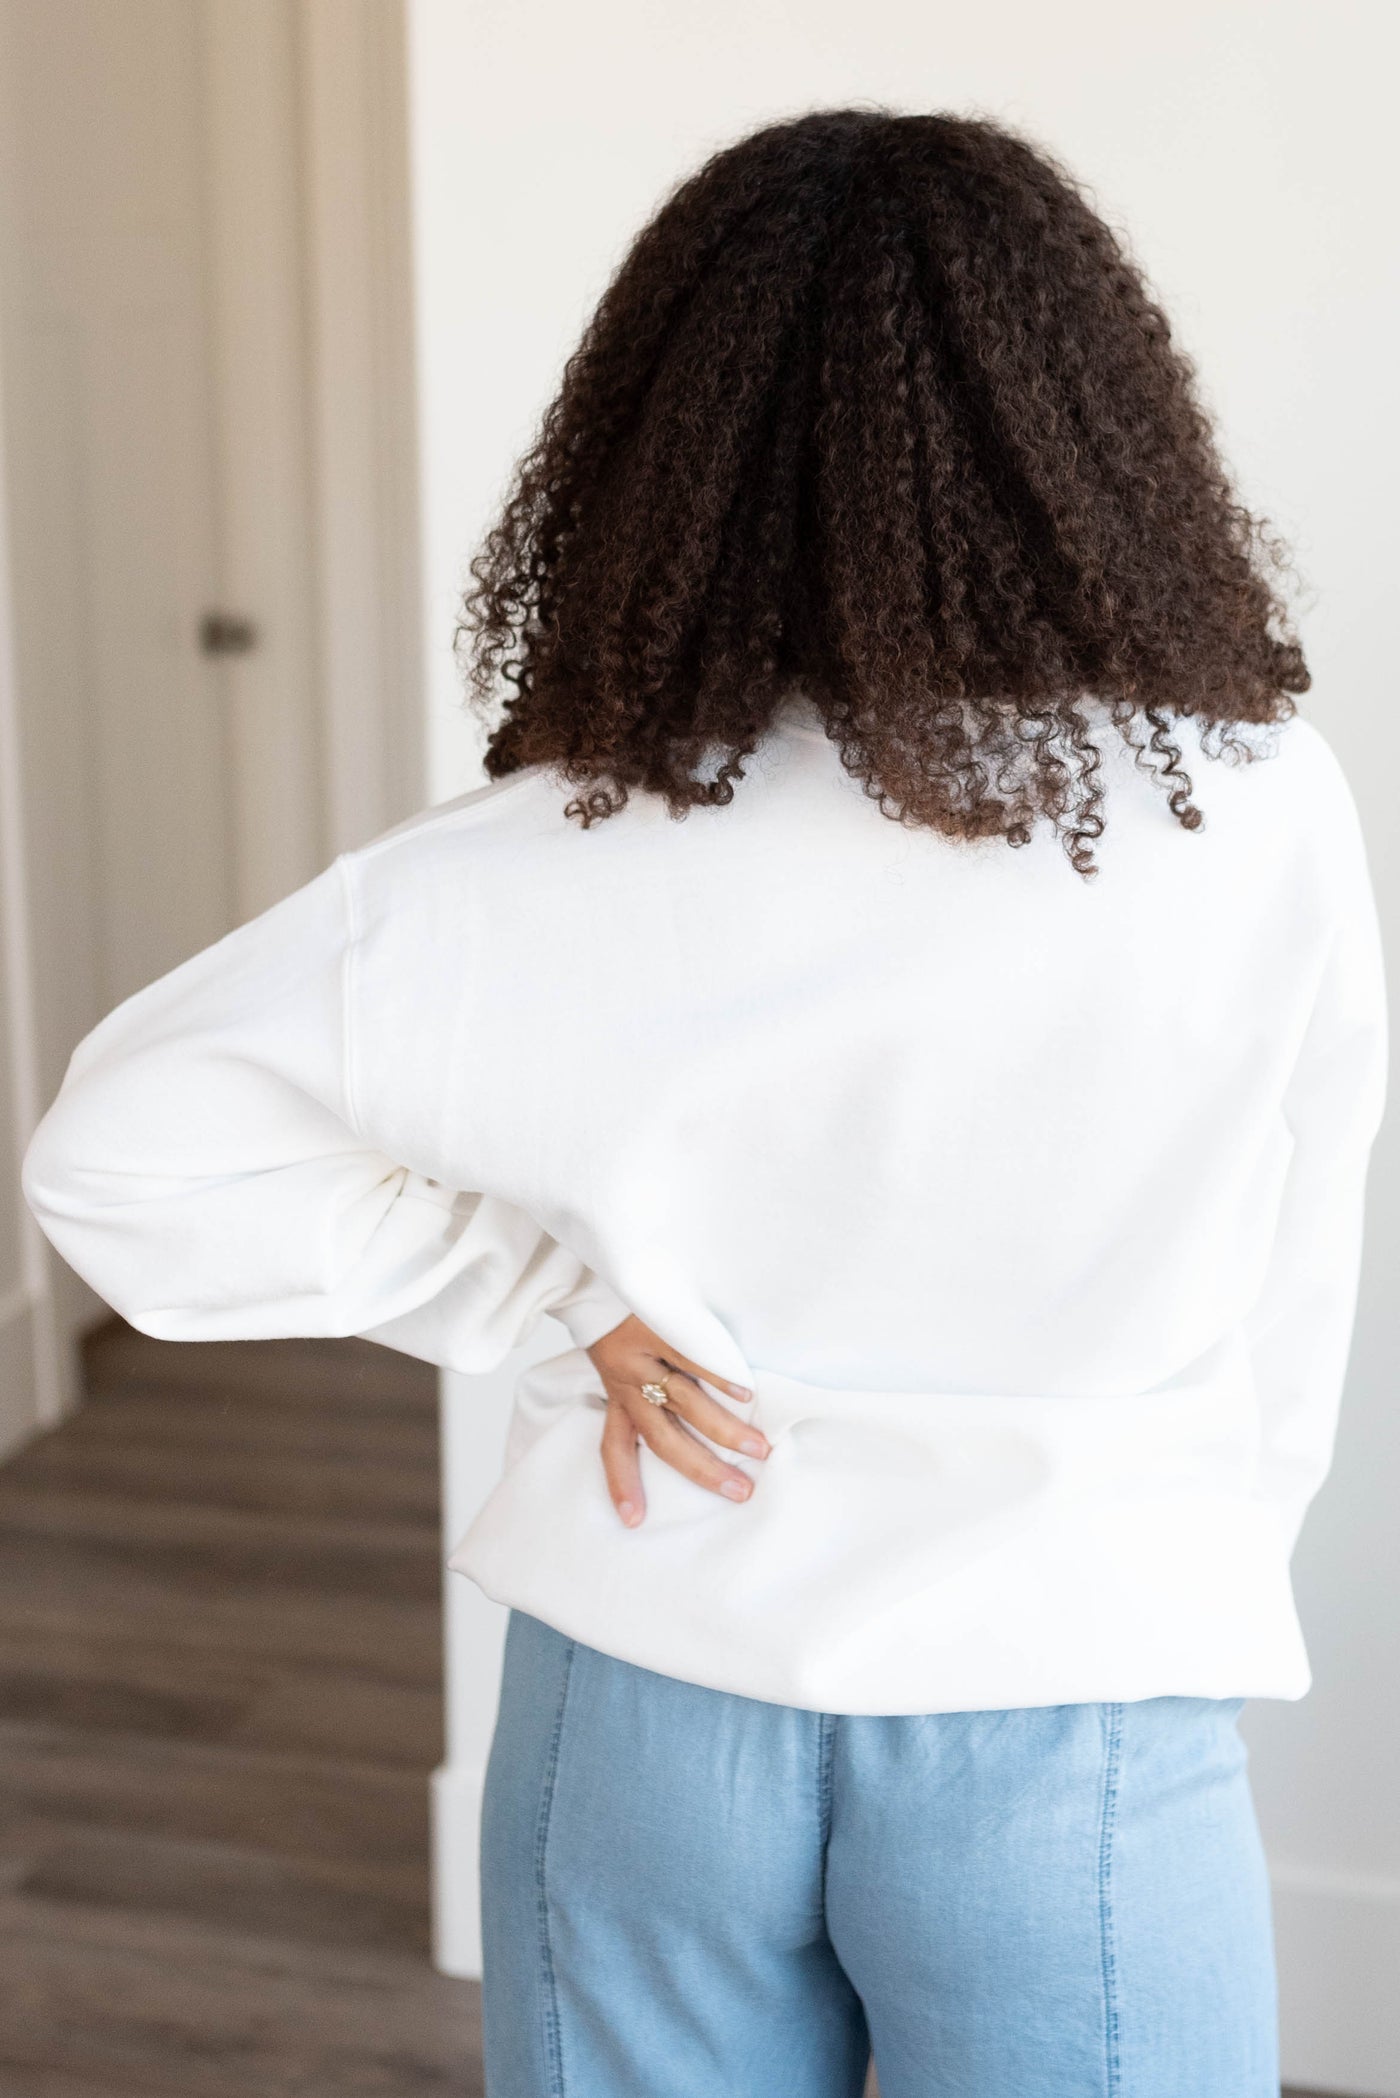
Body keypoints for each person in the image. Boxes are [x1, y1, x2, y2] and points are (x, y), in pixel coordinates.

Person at [21, 107, 1386, 2098]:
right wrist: (1162, 1559)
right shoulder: (1254, 813)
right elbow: (1296, 1266)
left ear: (655, 453)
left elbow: (118, 1151)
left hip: (645, 1694)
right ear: (1089, 432)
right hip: (1069, 1710)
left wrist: (535, 1287)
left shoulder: (546, 851)